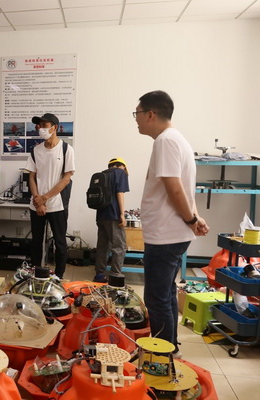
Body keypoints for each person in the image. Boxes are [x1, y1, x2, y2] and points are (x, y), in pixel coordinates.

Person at [135, 90, 209, 355]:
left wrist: (191, 218)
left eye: (137, 114)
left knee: (156, 297)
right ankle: (170, 346)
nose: (136, 119)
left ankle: (162, 353)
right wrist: (195, 218)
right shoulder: (178, 139)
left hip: (165, 235)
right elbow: (187, 188)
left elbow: (175, 187)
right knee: (165, 293)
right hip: (172, 233)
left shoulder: (165, 141)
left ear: (150, 114)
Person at [26, 113, 75, 279]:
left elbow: (66, 179)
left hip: (57, 204)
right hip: (36, 204)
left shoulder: (66, 149)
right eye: (39, 125)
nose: (41, 128)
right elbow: (31, 177)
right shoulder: (36, 150)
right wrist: (38, 201)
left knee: (60, 243)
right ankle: (36, 273)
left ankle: (59, 276)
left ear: (55, 128)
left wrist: (44, 198)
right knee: (36, 241)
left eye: (45, 125)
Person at [93, 157, 130, 283]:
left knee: (102, 246)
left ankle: (99, 275)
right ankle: (115, 276)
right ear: (122, 166)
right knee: (119, 246)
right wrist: (122, 214)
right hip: (114, 215)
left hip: (101, 215)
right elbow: (120, 193)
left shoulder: (103, 174)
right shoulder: (120, 173)